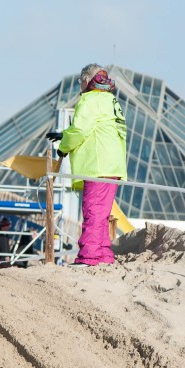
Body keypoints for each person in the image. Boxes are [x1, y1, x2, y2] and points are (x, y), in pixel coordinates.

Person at [46, 64, 127, 266]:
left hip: (96, 166)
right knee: (102, 214)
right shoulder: (111, 100)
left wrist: (63, 147)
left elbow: (81, 130)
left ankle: (89, 256)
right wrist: (65, 134)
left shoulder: (90, 99)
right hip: (113, 165)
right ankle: (103, 254)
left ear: (86, 80)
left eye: (80, 81)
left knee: (93, 212)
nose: (79, 86)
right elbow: (97, 129)